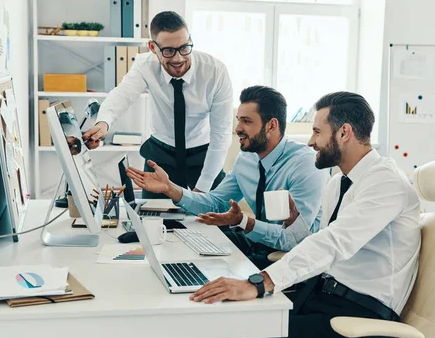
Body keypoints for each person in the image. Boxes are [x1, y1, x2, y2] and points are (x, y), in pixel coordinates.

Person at [173, 91, 422, 338]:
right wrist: (294, 224)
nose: (311, 141)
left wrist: (261, 282)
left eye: (317, 131)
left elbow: (334, 243)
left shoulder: (385, 183)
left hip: (355, 323)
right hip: (319, 299)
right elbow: (318, 243)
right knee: (214, 323)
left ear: (344, 133)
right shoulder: (340, 181)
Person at [127, 85, 329, 269]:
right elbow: (216, 203)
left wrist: (244, 222)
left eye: (247, 121)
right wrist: (171, 188)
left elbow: (294, 239)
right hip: (256, 243)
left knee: (204, 273)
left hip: (288, 260)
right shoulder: (247, 159)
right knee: (178, 253)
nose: (238, 128)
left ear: (271, 125)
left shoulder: (306, 165)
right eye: (238, 120)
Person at [82, 11, 233, 198]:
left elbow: (221, 134)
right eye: (169, 51)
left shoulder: (215, 72)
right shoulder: (145, 64)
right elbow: (123, 94)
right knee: (151, 218)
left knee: (217, 219)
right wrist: (103, 122)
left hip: (204, 155)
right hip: (161, 156)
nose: (178, 58)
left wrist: (201, 190)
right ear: (153, 47)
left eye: (185, 48)